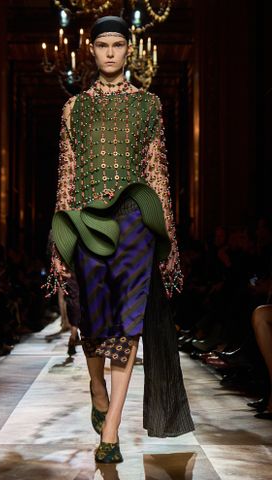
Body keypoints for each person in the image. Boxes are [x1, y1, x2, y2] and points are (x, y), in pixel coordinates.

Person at [45, 16, 194, 463]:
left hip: (133, 225)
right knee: (92, 320)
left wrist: (167, 240)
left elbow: (157, 176)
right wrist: (59, 238)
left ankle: (110, 433)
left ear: (129, 51)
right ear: (92, 52)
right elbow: (67, 176)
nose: (111, 53)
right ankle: (97, 387)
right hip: (87, 223)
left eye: (118, 45)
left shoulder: (149, 105)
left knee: (128, 326)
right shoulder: (74, 108)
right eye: (103, 46)